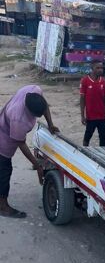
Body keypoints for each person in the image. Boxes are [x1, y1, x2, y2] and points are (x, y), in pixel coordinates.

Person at [0, 85, 59, 218]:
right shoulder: (18, 118)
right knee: (4, 169)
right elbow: (21, 143)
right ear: (28, 111)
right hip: (3, 137)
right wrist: (37, 166)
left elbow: (44, 107)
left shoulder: (34, 90)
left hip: (8, 125)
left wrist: (50, 124)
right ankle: (2, 206)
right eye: (35, 116)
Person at [80, 61, 105, 147]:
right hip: (91, 117)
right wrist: (82, 115)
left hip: (102, 116)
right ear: (92, 68)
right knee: (87, 137)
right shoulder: (85, 81)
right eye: (98, 68)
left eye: (102, 68)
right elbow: (82, 99)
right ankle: (84, 152)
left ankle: (102, 155)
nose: (100, 70)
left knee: (103, 138)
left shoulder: (103, 82)